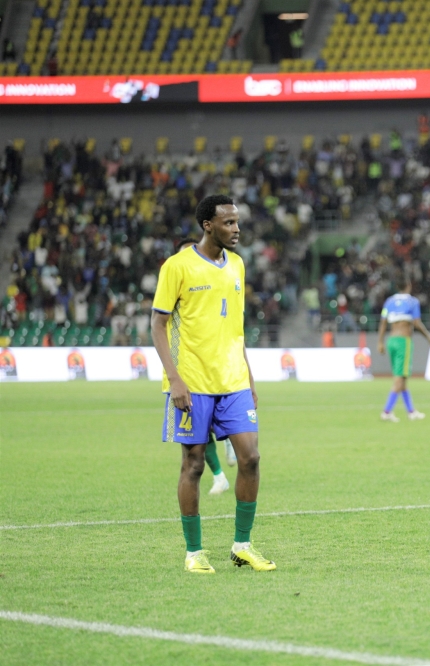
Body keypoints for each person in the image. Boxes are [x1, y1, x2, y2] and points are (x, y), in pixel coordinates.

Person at [151, 195, 276, 574]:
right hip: (193, 382)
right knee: (193, 465)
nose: (236, 229)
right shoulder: (178, 266)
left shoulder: (237, 265)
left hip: (234, 380)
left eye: (237, 222)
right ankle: (194, 552)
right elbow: (157, 325)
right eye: (228, 223)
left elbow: (236, 331)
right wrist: (175, 379)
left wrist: (250, 378)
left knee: (251, 458)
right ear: (208, 225)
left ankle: (242, 546)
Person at [174, 237, 235, 495]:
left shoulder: (217, 287)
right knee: (194, 442)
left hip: (211, 370)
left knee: (197, 439)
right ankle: (220, 474)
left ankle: (230, 438)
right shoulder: (175, 290)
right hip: (185, 370)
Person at [377, 281, 430, 422]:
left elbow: (383, 322)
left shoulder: (389, 301)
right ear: (408, 286)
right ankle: (387, 411)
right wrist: (428, 336)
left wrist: (380, 342)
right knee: (399, 378)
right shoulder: (412, 301)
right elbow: (416, 322)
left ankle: (411, 411)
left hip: (391, 341)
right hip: (404, 341)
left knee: (401, 378)